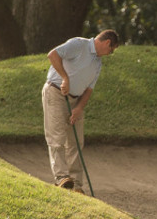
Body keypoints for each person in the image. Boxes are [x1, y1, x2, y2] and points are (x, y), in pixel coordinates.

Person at [42, 30, 121, 191]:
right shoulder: (78, 44)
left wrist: (79, 108)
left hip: (76, 100)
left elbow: (89, 89)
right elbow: (53, 55)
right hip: (56, 92)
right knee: (57, 137)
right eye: (111, 50)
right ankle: (62, 178)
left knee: (76, 142)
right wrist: (65, 78)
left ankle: (76, 184)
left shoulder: (98, 63)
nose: (109, 54)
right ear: (107, 43)